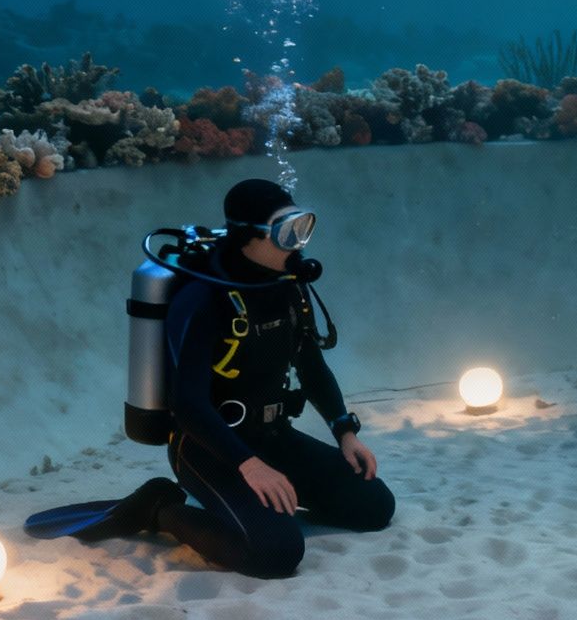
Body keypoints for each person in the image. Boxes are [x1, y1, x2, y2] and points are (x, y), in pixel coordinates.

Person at [71, 179, 394, 577]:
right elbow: (186, 404)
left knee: (374, 506)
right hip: (208, 447)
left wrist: (345, 431)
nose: (297, 243)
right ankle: (161, 509)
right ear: (247, 237)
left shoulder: (289, 286)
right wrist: (250, 466)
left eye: (302, 228)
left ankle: (260, 501)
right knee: (275, 552)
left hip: (272, 437)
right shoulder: (205, 298)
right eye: (286, 231)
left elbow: (311, 366)